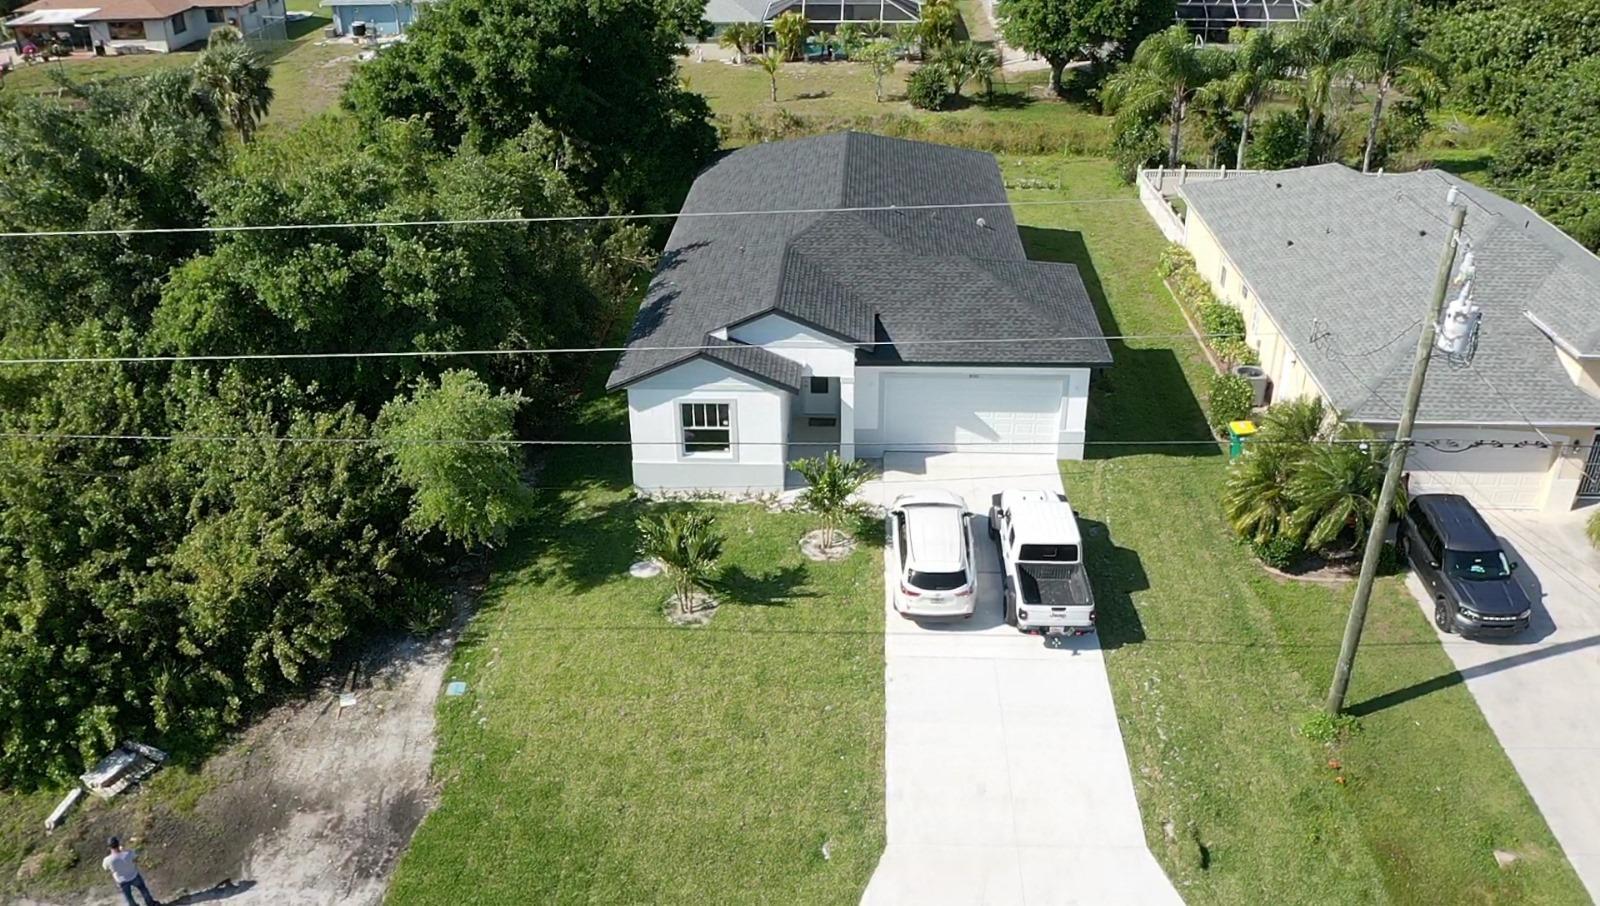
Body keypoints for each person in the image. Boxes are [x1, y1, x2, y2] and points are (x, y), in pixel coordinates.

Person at [102, 837, 161, 906]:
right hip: (134, 875)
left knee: (128, 897)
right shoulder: (128, 853)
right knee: (143, 890)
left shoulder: (107, 860)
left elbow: (106, 869)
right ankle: (151, 904)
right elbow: (136, 858)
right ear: (118, 844)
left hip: (121, 880)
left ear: (109, 847)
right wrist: (124, 850)